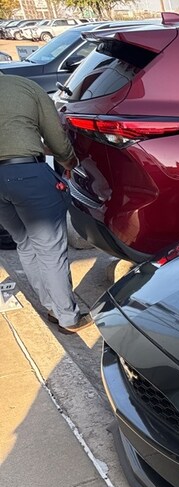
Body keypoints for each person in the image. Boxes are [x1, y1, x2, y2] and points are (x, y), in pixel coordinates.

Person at [0, 71, 91, 334]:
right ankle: (68, 318)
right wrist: (70, 163)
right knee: (50, 248)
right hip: (27, 173)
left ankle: (52, 306)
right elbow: (56, 137)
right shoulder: (25, 86)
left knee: (25, 243)